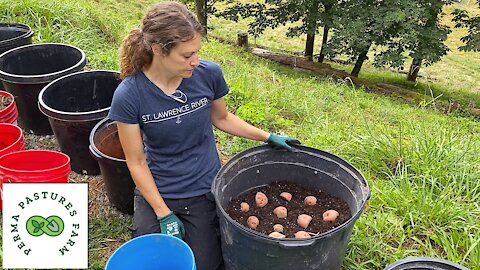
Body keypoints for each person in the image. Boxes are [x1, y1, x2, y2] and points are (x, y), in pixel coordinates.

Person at [108, 2, 299, 270]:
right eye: (186, 55)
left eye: (197, 52)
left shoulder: (207, 75)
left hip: (202, 189)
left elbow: (222, 118)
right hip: (158, 189)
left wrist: (268, 136)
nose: (194, 62)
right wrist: (163, 213)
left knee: (206, 265)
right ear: (157, 49)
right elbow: (136, 161)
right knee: (155, 260)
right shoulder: (129, 95)